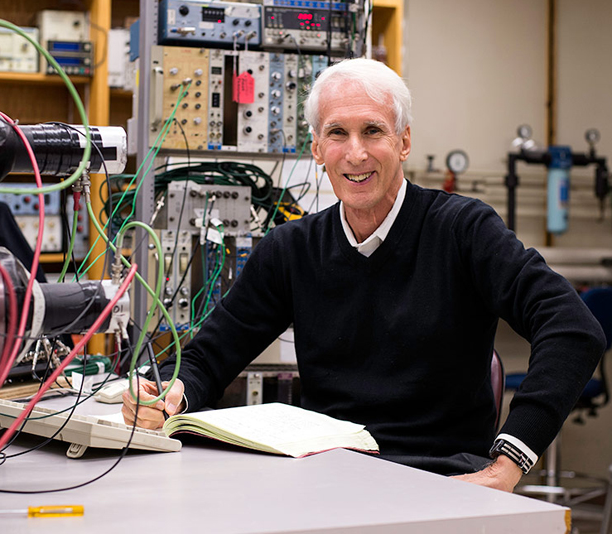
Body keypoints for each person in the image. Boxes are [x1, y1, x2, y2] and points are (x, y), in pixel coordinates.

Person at [121, 58, 605, 492]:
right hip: (325, 479)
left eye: (372, 131)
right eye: (337, 134)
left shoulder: (463, 230)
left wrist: (510, 461)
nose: (355, 154)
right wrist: (168, 392)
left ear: (405, 141)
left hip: (440, 479)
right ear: (316, 148)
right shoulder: (291, 249)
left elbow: (573, 329)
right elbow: (208, 357)